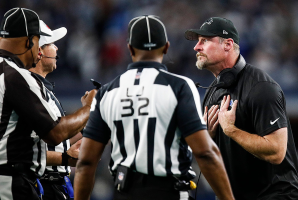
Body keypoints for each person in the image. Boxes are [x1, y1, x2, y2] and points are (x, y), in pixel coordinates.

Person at [74, 15, 234, 200]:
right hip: (168, 192)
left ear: (130, 48)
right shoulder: (179, 87)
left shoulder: (107, 92)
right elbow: (205, 152)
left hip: (124, 192)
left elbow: (86, 162)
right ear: (166, 47)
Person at [184, 17, 298, 200]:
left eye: (204, 41)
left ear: (228, 44)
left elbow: (277, 152)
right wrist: (208, 138)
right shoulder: (213, 92)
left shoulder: (261, 87)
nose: (196, 47)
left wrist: (231, 130)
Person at [0, 7, 96, 200]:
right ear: (30, 41)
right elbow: (54, 133)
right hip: (10, 181)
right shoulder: (16, 76)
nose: (39, 54)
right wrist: (89, 108)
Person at [29, 20, 82, 200]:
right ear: (39, 51)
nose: (57, 49)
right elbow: (21, 150)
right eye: (52, 43)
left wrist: (88, 126)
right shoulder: (28, 89)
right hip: (43, 183)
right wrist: (66, 158)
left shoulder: (43, 89)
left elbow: (55, 140)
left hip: (56, 183)